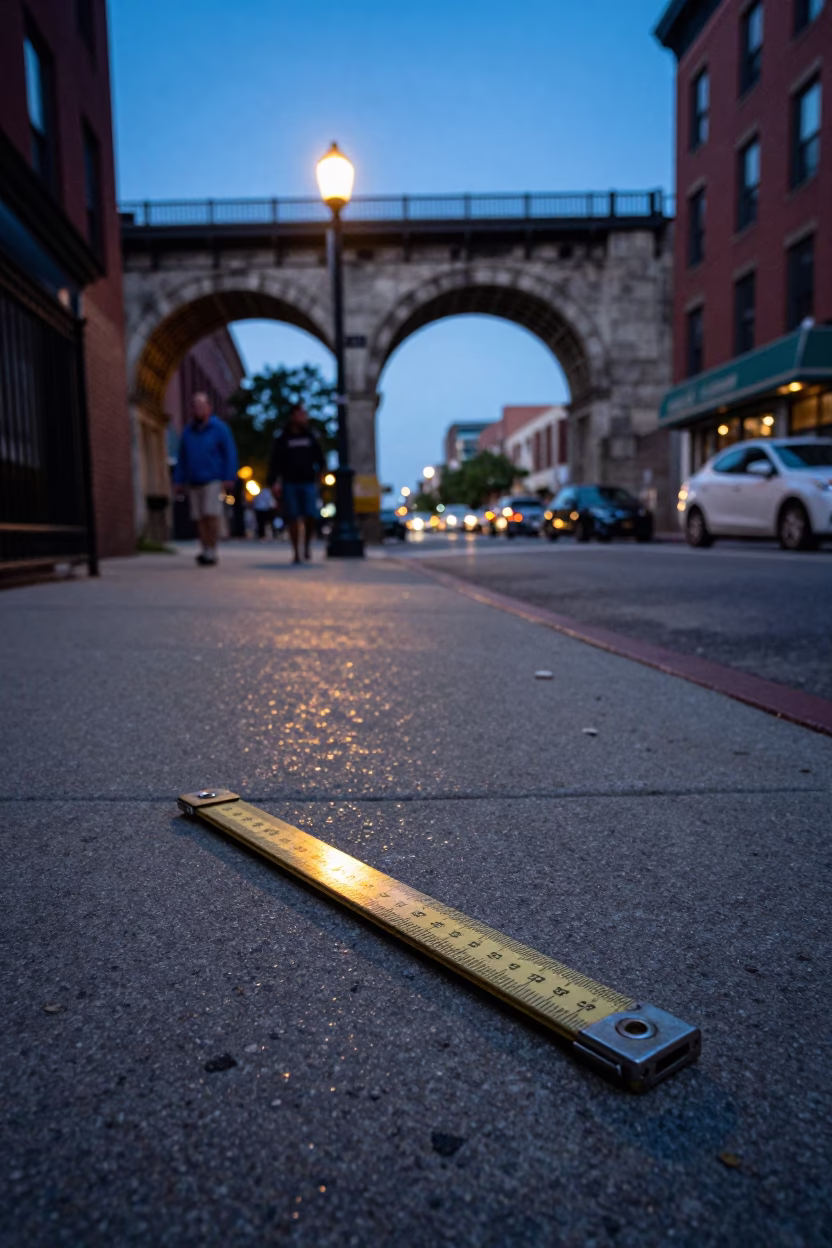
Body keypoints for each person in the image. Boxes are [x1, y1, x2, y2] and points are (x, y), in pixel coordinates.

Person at [173, 392, 238, 566]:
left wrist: (229, 476)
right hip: (194, 480)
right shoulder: (188, 431)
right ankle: (205, 548)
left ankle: (212, 548)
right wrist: (178, 480)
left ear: (209, 408)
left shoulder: (220, 429)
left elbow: (230, 453)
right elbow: (182, 457)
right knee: (199, 517)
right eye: (195, 406)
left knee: (211, 514)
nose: (198, 409)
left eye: (202, 406)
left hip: (213, 479)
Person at [267, 405, 325, 564]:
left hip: (308, 481)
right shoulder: (283, 438)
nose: (303, 417)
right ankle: (296, 551)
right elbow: (275, 461)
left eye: (304, 414)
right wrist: (273, 481)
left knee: (311, 515)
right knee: (292, 517)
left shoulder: (310, 436)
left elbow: (319, 457)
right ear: (292, 416)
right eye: (300, 414)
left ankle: (306, 545)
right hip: (289, 482)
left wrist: (321, 473)